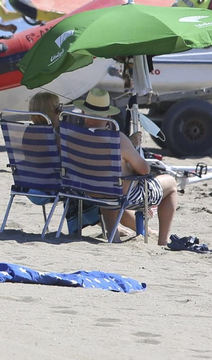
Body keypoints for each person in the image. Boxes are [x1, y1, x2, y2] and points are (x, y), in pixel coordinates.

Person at [74, 88, 181, 246]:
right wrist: (131, 148)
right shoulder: (118, 139)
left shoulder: (75, 136)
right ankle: (163, 240)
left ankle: (113, 235)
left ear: (84, 112)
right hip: (123, 195)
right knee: (170, 183)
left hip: (89, 192)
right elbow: (144, 170)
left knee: (106, 186)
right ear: (109, 116)